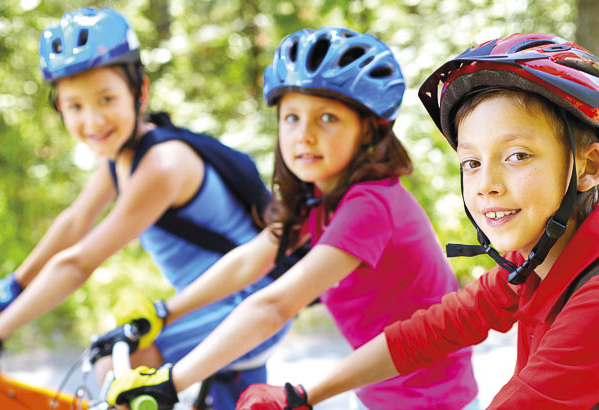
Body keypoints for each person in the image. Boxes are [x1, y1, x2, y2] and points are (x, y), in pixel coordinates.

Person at [105, 27, 479, 410]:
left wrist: (173, 380)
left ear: (368, 129)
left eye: (328, 118)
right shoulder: (319, 198)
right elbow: (249, 261)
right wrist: (164, 313)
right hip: (378, 392)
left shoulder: (369, 205)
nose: (305, 135)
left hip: (430, 402)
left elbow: (275, 306)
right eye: (292, 118)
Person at [232, 33, 599, 409]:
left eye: (517, 156)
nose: (486, 185)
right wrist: (302, 395)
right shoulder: (532, 266)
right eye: (471, 163)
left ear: (589, 166)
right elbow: (428, 332)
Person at [0, 8, 290, 409]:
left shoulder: (161, 166)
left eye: (106, 99)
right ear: (59, 107)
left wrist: (0, 330)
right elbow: (76, 222)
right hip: (217, 305)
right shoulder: (121, 156)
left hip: (249, 305)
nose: (92, 120)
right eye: (75, 106)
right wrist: (12, 287)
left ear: (140, 92)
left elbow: (79, 262)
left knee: (117, 370)